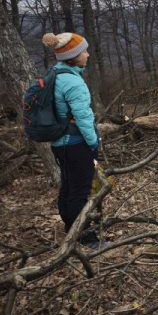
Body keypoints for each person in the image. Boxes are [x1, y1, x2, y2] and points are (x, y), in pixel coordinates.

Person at [42, 32, 105, 249]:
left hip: (60, 143)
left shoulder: (55, 74)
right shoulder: (73, 82)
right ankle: (87, 238)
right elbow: (84, 118)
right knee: (81, 190)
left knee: (68, 187)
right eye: (83, 51)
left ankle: (71, 230)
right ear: (74, 56)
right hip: (76, 143)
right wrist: (94, 143)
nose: (87, 54)